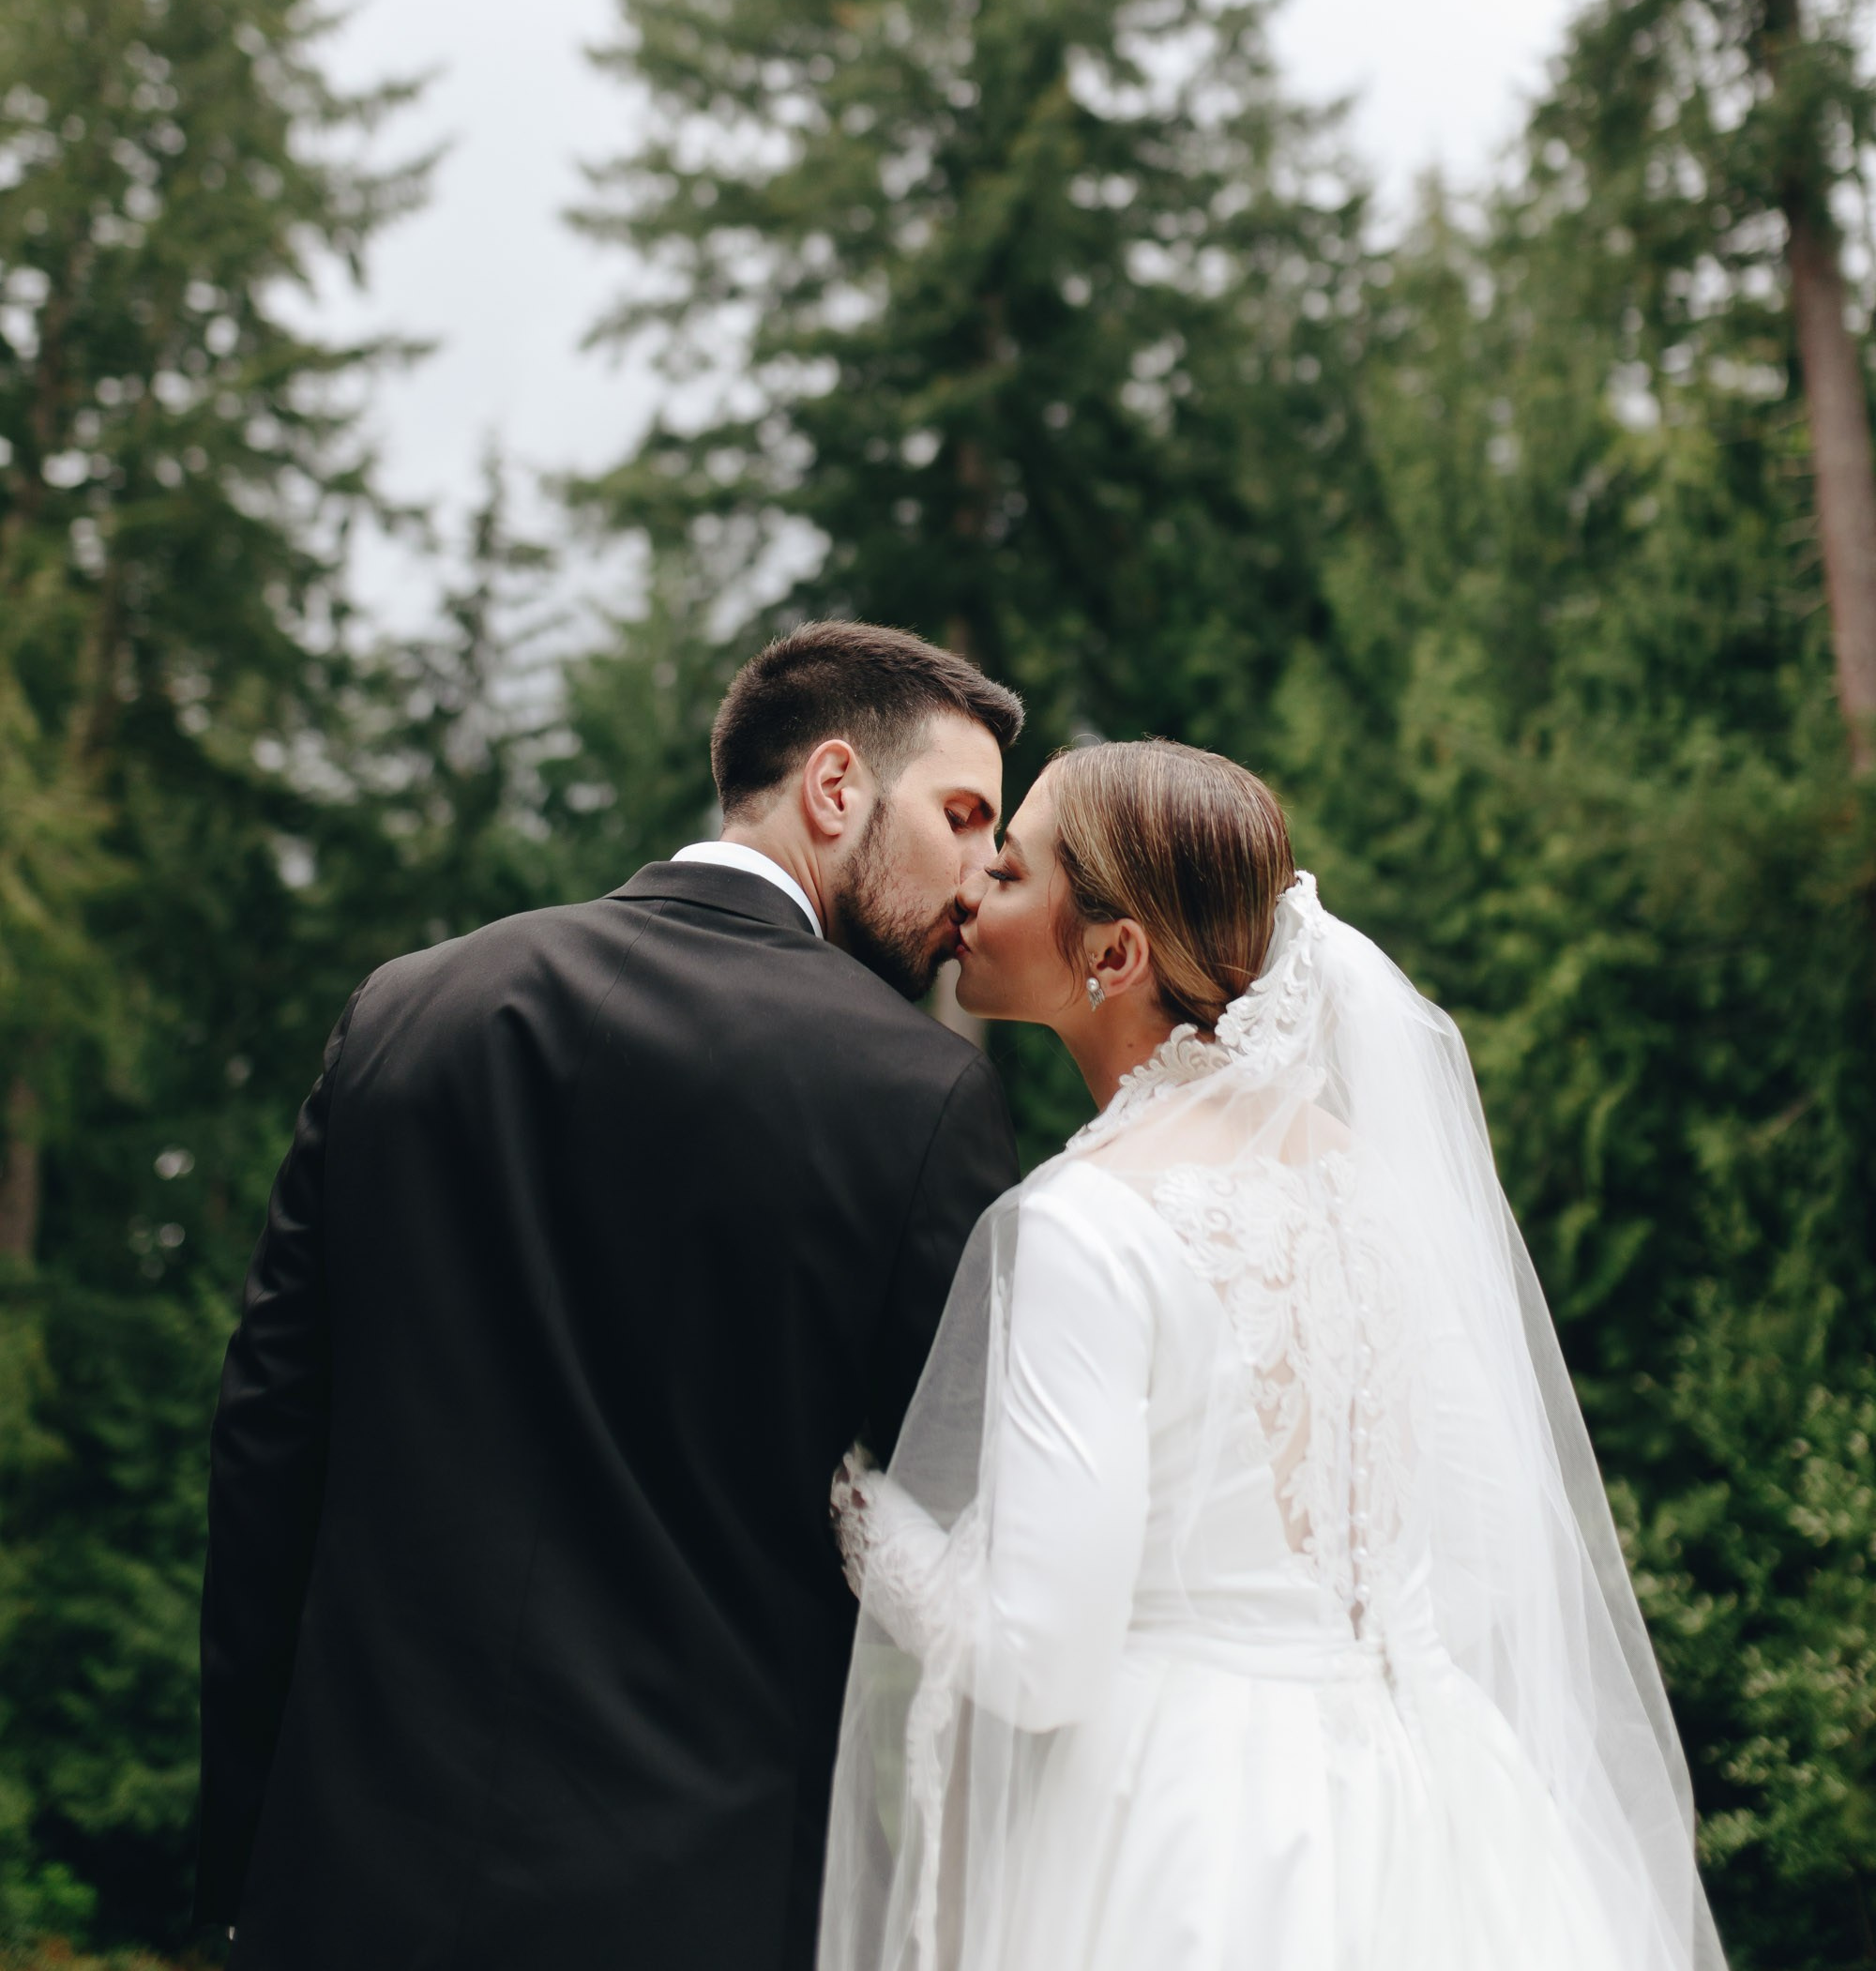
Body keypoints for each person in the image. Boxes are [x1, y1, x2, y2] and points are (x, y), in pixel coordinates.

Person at [196, 620, 1022, 1971]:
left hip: (342, 1890)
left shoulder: (408, 1011)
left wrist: (245, 1854)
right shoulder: (919, 1098)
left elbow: (268, 1449)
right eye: (964, 813)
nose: (983, 872)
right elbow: (958, 1521)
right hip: (701, 1901)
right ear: (833, 789)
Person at [821, 739, 1726, 1971]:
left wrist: (867, 1522)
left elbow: (1041, 1659)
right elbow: (1476, 1537)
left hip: (1196, 1842)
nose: (971, 886)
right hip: (1441, 1813)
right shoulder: (1374, 1184)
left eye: (1015, 871)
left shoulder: (1085, 1227)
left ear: (1116, 953)